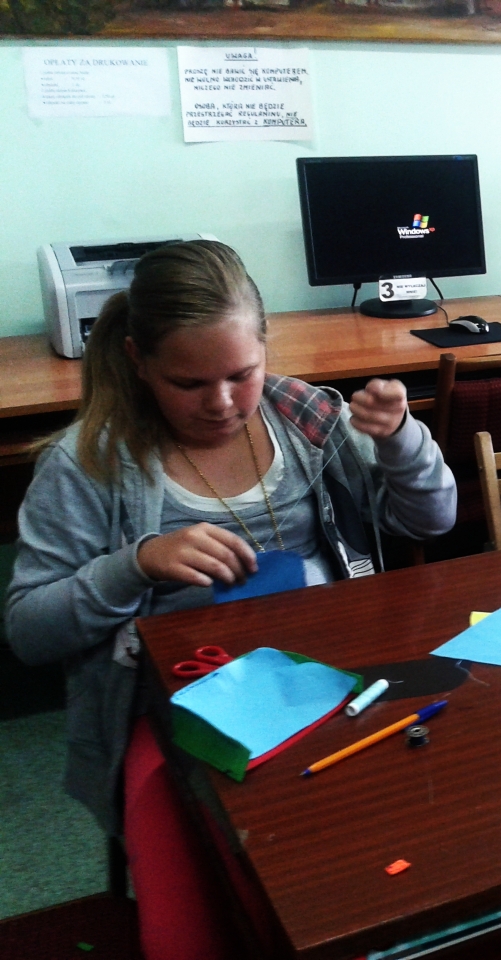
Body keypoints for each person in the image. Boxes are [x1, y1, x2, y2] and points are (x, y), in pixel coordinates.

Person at [5, 240, 456, 959]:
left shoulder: (306, 419)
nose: (221, 404)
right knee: (209, 893)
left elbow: (431, 521)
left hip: (335, 675)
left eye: (241, 375)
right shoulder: (90, 462)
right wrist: (135, 565)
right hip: (179, 706)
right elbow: (28, 630)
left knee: (417, 831)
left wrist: (403, 441)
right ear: (138, 359)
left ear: (265, 347)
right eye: (188, 383)